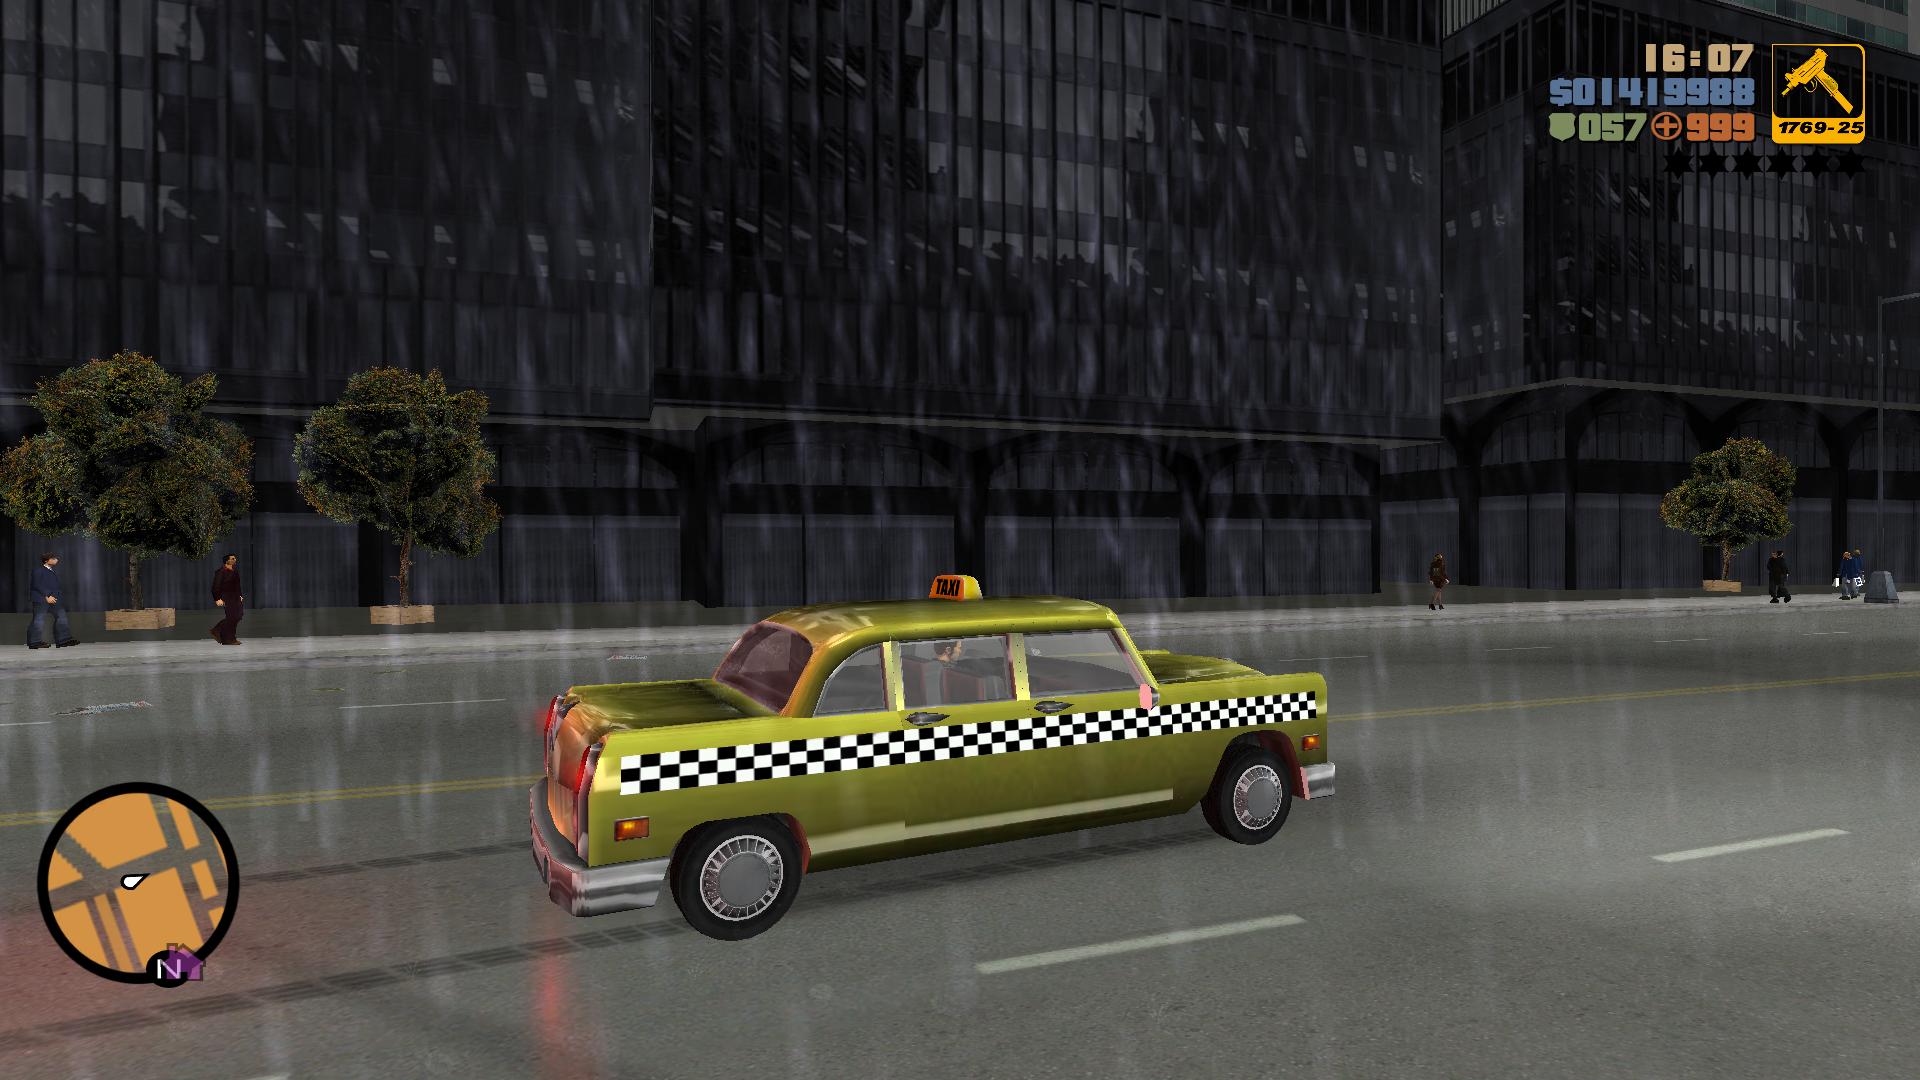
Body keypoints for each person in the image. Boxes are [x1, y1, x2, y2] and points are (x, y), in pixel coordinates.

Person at [25, 552, 80, 649]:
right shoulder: (38, 570)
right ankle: (34, 642)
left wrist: (55, 597)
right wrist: (47, 596)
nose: (56, 560)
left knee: (61, 617)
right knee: (38, 620)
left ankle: (63, 640)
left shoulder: (52, 571)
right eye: (53, 558)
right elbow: (36, 584)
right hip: (42, 599)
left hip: (55, 599)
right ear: (46, 560)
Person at [209, 553, 245, 644]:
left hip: (236, 596)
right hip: (226, 597)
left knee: (238, 616)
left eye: (235, 558)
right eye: (232, 559)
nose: (234, 560)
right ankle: (228, 638)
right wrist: (217, 598)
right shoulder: (221, 572)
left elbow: (237, 585)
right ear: (226, 561)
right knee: (232, 617)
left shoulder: (235, 571)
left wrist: (240, 595)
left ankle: (219, 632)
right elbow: (216, 586)